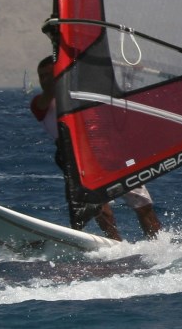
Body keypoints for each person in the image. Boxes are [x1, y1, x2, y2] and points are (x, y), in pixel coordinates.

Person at [30, 55, 161, 239]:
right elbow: (50, 93)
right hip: (76, 159)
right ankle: (115, 244)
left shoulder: (80, 94)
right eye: (41, 76)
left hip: (109, 153)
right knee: (99, 207)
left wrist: (128, 71)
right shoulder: (39, 103)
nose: (44, 80)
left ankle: (158, 242)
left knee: (143, 204)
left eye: (48, 75)